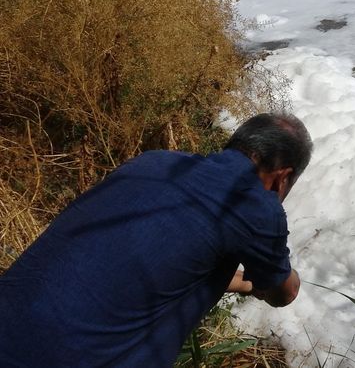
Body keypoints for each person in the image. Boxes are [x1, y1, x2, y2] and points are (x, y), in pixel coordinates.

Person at [0, 112, 313, 367]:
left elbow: (157, 259)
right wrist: (279, 278)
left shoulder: (153, 162)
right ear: (282, 177)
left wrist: (245, 282)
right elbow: (283, 293)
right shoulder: (257, 205)